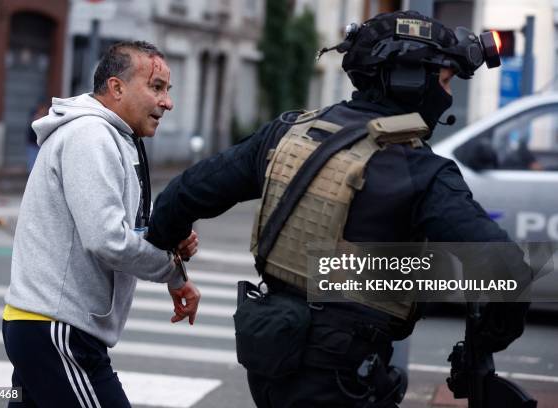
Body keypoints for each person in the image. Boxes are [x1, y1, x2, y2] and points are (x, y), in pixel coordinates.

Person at [146, 11, 534, 408]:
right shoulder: (421, 170)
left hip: (270, 358)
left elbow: (181, 196)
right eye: (445, 81)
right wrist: (484, 343)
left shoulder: (287, 133)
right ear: (409, 80)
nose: (448, 96)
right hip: (343, 374)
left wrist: (171, 254)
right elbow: (505, 269)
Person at [2, 41, 201, 408]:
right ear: (117, 87)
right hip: (58, 330)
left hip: (45, 327)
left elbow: (125, 224)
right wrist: (170, 268)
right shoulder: (90, 136)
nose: (167, 102)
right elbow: (107, 240)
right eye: (156, 87)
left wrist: (172, 250)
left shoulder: (117, 136)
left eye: (167, 91)